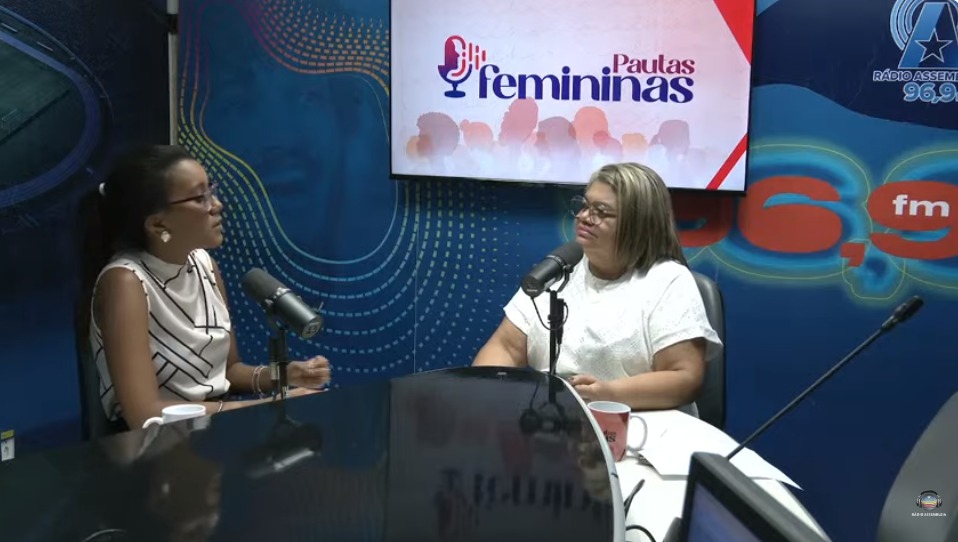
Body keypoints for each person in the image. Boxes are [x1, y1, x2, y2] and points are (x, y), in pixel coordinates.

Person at [78, 144, 331, 430]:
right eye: (200, 198)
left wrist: (284, 375)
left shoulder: (204, 264)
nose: (217, 205)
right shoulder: (125, 282)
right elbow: (144, 414)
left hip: (213, 433)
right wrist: (263, 407)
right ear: (158, 224)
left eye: (212, 190)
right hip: (153, 445)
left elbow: (229, 371)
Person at [473, 162, 721, 414]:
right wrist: (484, 397)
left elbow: (684, 377)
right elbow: (505, 347)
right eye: (584, 205)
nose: (583, 217)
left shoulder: (668, 280)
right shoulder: (557, 272)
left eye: (601, 212)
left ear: (638, 223)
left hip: (643, 422)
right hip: (554, 421)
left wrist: (609, 394)